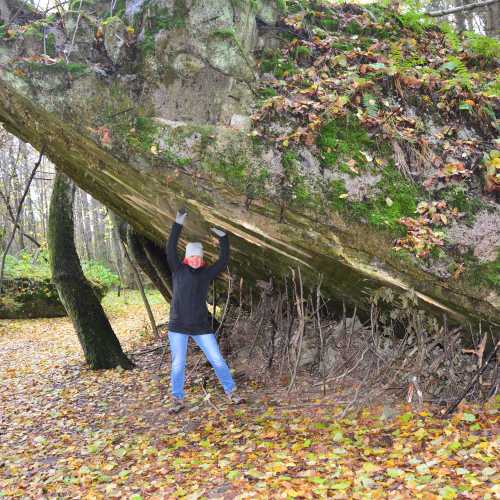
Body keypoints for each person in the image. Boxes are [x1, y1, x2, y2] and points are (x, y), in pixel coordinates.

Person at [165, 207, 244, 413]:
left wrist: (224, 238)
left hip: (201, 326)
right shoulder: (178, 269)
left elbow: (223, 260)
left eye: (199, 257)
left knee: (217, 359)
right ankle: (177, 398)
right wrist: (178, 223)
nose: (196, 260)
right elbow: (170, 248)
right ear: (187, 258)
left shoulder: (206, 274)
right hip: (178, 326)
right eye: (193, 257)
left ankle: (231, 391)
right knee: (178, 364)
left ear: (202, 259)